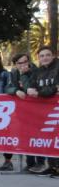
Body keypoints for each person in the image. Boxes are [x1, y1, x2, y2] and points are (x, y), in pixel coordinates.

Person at [5, 53, 43, 172]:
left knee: (38, 135)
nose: (23, 65)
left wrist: (24, 75)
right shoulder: (13, 72)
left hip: (37, 109)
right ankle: (30, 163)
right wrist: (15, 90)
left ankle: (40, 162)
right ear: (16, 64)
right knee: (26, 135)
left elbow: (29, 87)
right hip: (22, 109)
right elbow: (7, 88)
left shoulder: (36, 71)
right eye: (20, 63)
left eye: (25, 62)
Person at [27, 46, 59, 176]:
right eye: (42, 56)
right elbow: (30, 85)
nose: (45, 58)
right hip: (44, 111)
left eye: (47, 55)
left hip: (56, 108)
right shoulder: (38, 71)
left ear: (53, 55)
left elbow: (54, 88)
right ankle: (53, 166)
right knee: (48, 137)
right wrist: (29, 90)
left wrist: (39, 92)